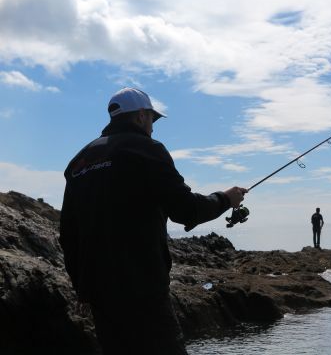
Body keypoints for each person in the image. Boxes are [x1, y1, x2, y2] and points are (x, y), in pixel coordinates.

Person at [59, 87, 247, 355]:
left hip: (101, 295)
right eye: (152, 119)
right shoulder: (146, 149)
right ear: (139, 117)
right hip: (142, 289)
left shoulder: (79, 162)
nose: (153, 127)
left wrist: (82, 288)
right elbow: (186, 209)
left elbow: (68, 234)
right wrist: (225, 199)